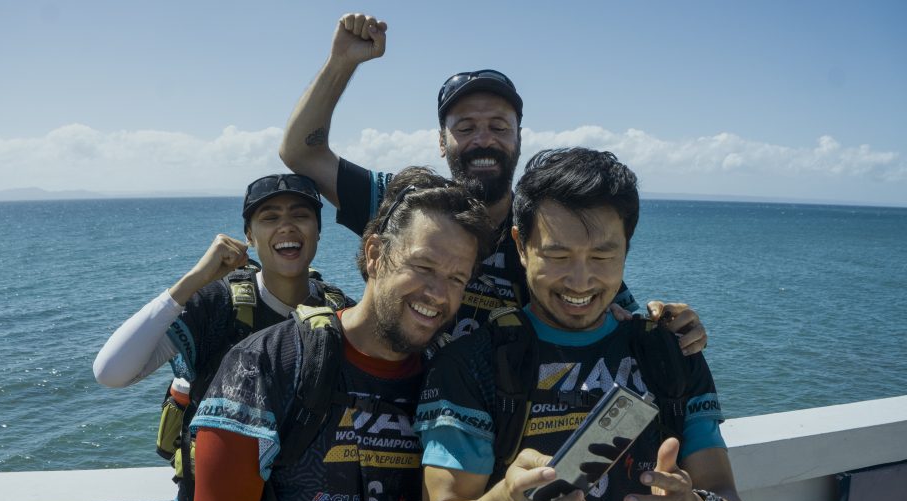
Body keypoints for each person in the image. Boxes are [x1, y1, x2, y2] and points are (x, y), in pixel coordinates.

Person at [279, 13, 707, 351]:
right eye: (465, 127)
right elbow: (301, 151)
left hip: (497, 430)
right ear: (441, 143)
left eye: (499, 126)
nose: (483, 139)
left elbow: (610, 302)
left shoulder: (546, 228)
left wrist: (671, 324)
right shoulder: (406, 206)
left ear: (519, 138)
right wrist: (342, 62)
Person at [413, 148, 744, 501]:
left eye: (603, 256)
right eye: (558, 255)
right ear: (521, 246)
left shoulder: (669, 353)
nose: (581, 280)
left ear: (627, 247)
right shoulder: (471, 364)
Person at [188, 168, 496, 501]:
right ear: (374, 254)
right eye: (423, 266)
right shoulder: (266, 363)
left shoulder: (449, 379)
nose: (438, 294)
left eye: (456, 278)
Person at [92, 174, 355, 501]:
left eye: (301, 215)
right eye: (269, 217)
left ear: (318, 231)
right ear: (249, 236)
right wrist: (194, 280)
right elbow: (111, 371)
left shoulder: (339, 315)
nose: (286, 226)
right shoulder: (217, 306)